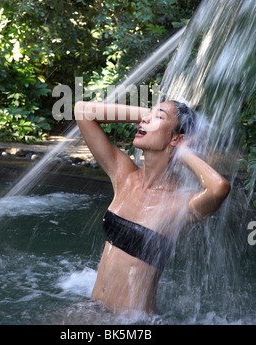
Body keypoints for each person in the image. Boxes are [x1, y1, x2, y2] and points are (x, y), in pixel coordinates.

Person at [74, 99, 230, 316]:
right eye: (148, 114)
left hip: (130, 322)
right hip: (95, 310)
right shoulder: (124, 176)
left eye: (158, 117)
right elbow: (83, 111)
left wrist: (183, 152)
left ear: (176, 138)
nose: (145, 119)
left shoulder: (179, 202)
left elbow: (219, 188)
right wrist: (151, 114)